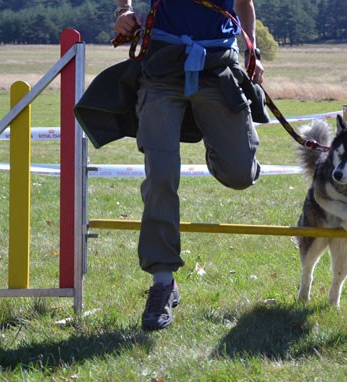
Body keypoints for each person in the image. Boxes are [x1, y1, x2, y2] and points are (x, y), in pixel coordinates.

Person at [113, 0, 264, 331]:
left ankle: (215, 136)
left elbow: (244, 4)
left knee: (239, 173)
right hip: (163, 66)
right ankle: (162, 281)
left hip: (218, 65)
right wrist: (124, 10)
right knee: (161, 177)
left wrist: (253, 50)